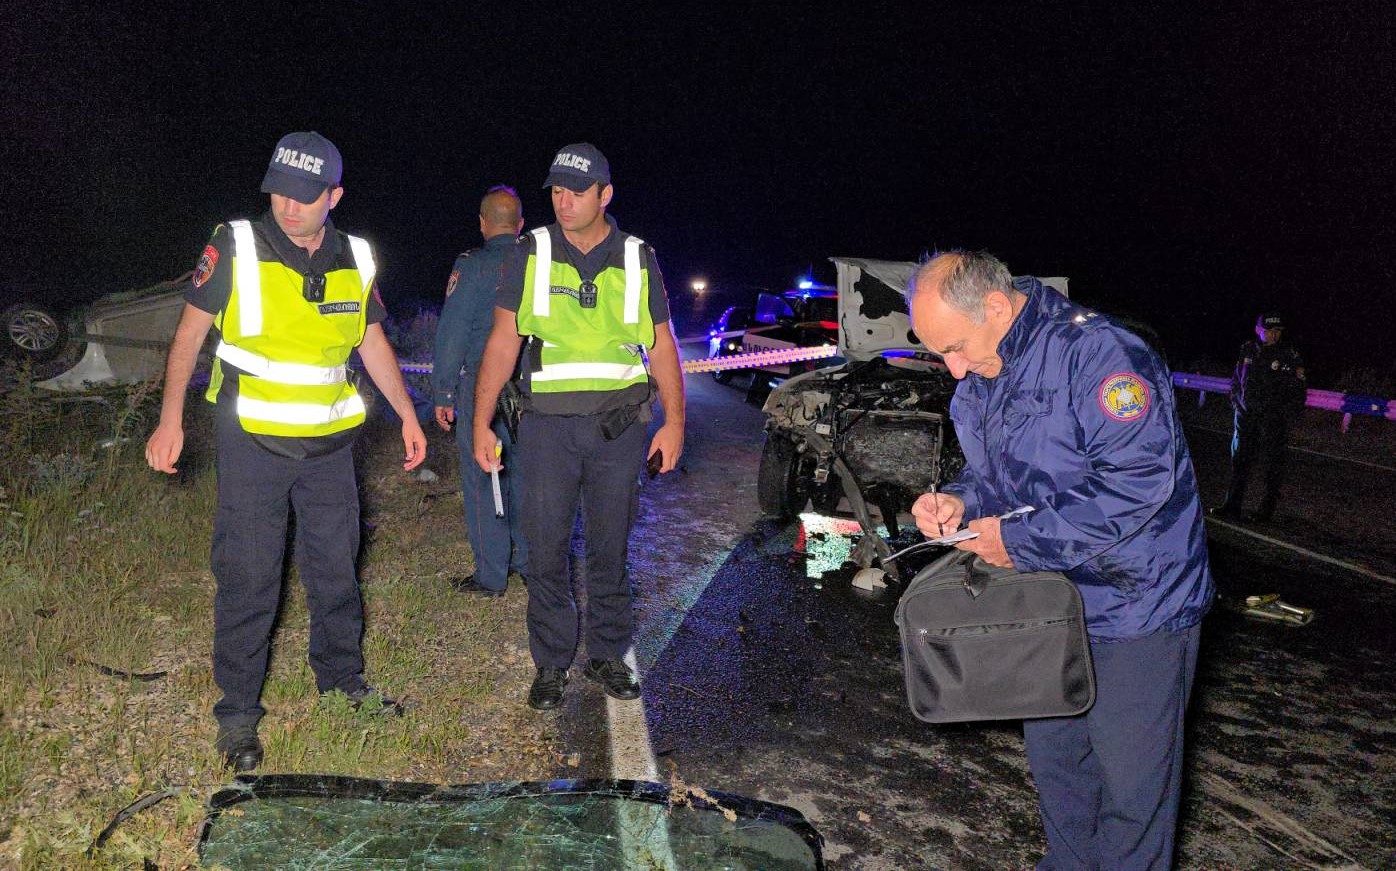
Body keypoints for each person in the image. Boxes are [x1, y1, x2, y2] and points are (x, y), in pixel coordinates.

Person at [908, 251, 1214, 871]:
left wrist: (1019, 543)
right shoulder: (986, 369)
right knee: (1060, 770)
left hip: (1137, 605)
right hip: (1048, 605)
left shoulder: (1100, 355)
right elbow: (997, 479)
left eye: (956, 348)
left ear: (997, 306)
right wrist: (960, 500)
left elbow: (1137, 483)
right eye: (941, 354)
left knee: (1132, 791)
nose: (955, 370)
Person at [145, 131, 427, 772]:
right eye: (279, 192)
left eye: (304, 195)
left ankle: (344, 687)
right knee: (249, 576)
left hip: (330, 445)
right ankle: (238, 715)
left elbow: (371, 341)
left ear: (334, 196)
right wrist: (170, 420)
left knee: (336, 571)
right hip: (252, 440)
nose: (289, 206)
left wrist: (409, 413)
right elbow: (188, 337)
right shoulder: (236, 245)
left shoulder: (355, 256)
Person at [470, 143, 685, 711]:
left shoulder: (638, 257)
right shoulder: (531, 251)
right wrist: (481, 421)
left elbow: (662, 345)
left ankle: (608, 654)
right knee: (545, 550)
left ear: (605, 195)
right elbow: (503, 339)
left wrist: (674, 423)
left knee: (610, 549)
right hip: (546, 429)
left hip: (619, 429)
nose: (564, 202)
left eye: (577, 192)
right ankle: (551, 661)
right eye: (557, 192)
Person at [431, 186, 530, 596]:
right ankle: (527, 561)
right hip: (532, 387)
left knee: (482, 475)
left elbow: (452, 333)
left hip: (481, 386)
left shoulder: (472, 265)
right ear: (520, 225)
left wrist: (443, 393)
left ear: (483, 224)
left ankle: (491, 574)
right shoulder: (536, 262)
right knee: (526, 475)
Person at [1212, 312, 1306, 521]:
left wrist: (1285, 414)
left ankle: (1265, 512)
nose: (1274, 335)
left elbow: (1298, 390)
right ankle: (1232, 506)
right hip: (1246, 417)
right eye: (1269, 330)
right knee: (1240, 462)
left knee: (1272, 465)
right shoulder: (1248, 349)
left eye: (1277, 331)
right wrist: (1236, 403)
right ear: (1258, 330)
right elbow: (1237, 380)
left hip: (1272, 419)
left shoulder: (1288, 355)